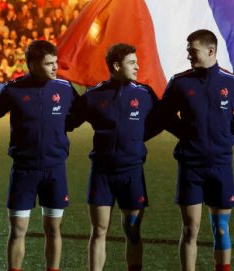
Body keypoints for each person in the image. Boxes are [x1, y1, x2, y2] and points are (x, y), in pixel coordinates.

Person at [66, 44, 164, 271]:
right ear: (117, 66)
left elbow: (161, 121)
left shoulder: (145, 94)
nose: (137, 66)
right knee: (99, 231)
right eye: (132, 62)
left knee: (133, 231)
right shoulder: (94, 96)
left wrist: (137, 138)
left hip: (132, 173)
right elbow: (69, 122)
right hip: (102, 173)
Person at [0, 40, 77, 271]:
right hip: (24, 170)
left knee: (53, 229)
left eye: (56, 63)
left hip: (55, 169)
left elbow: (82, 112)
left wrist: (63, 129)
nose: (55, 68)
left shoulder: (65, 88)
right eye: (49, 64)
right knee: (18, 230)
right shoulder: (14, 89)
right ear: (32, 65)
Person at [161, 29, 234, 271]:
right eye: (188, 50)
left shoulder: (233, 83)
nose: (189, 54)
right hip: (191, 165)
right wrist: (187, 132)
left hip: (221, 164)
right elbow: (164, 116)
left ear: (210, 51)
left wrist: (227, 129)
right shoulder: (180, 82)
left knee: (221, 227)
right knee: (190, 228)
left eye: (193, 50)